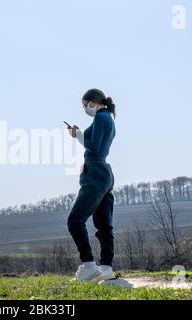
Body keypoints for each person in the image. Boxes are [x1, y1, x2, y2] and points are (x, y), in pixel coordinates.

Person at [67, 88, 117, 282]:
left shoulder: (101, 118)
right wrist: (77, 134)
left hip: (95, 171)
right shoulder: (107, 118)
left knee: (75, 220)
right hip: (104, 171)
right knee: (104, 225)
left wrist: (78, 135)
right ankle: (105, 268)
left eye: (87, 105)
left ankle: (88, 265)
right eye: (84, 106)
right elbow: (90, 140)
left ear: (95, 102)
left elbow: (93, 147)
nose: (86, 108)